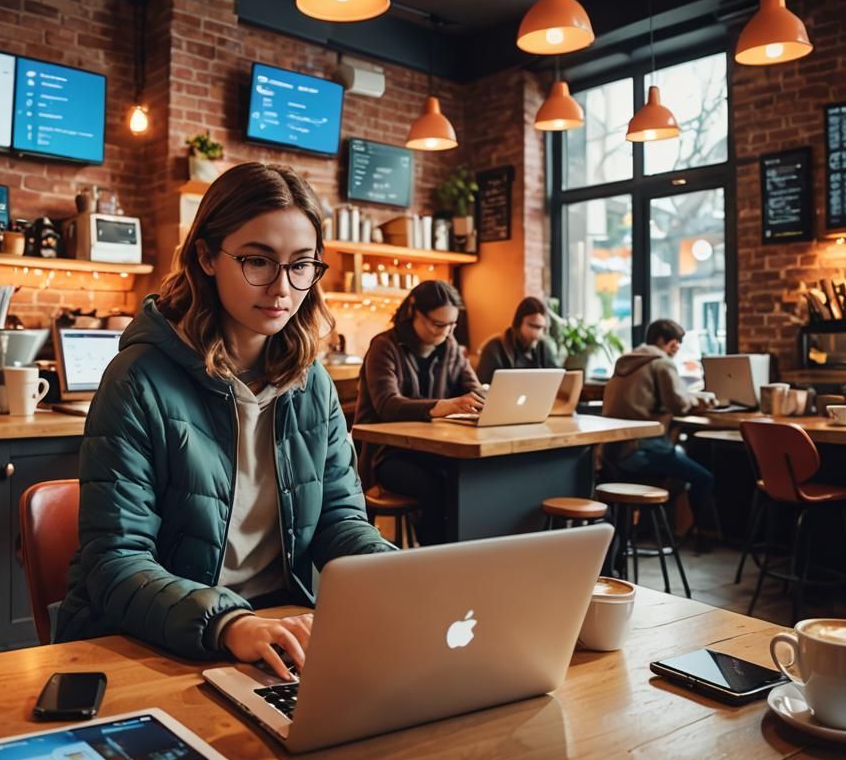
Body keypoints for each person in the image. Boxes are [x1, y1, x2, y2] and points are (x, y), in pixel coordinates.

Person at [55, 162, 394, 680]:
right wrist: (230, 622)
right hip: (155, 642)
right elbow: (116, 564)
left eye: (302, 265)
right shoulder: (137, 380)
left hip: (280, 630)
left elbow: (337, 523)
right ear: (206, 256)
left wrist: (402, 575)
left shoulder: (313, 382)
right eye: (258, 261)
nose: (282, 288)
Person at [353, 280, 483, 545]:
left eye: (452, 325)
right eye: (438, 324)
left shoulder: (450, 348)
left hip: (435, 450)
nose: (446, 332)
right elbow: (387, 405)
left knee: (471, 478)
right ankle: (434, 562)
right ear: (414, 312)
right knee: (438, 486)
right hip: (386, 455)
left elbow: (475, 391)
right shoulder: (384, 346)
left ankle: (464, 557)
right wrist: (440, 406)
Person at [602, 318, 715, 541]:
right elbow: (679, 405)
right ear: (662, 341)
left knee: (676, 470)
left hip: (612, 453)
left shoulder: (624, 362)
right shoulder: (661, 362)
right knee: (704, 478)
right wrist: (702, 400)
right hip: (642, 451)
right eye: (673, 346)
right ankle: (699, 533)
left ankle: (647, 528)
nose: (674, 353)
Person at [475, 296, 561, 383]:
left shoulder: (543, 347)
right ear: (518, 323)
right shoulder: (494, 349)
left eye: (543, 328)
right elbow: (482, 387)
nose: (538, 334)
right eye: (533, 326)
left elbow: (557, 378)